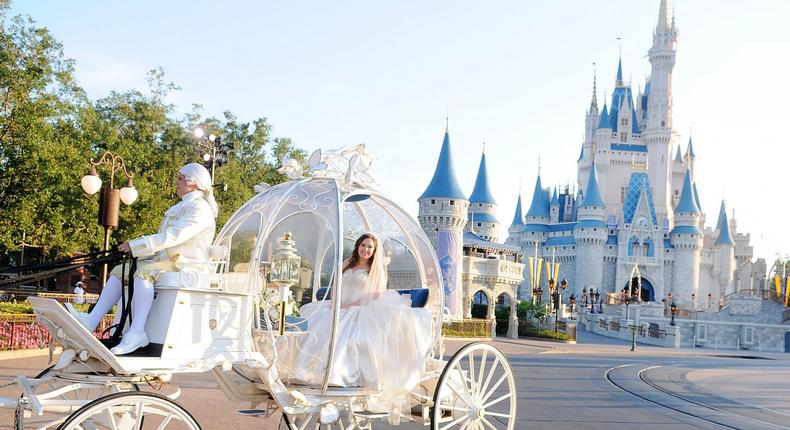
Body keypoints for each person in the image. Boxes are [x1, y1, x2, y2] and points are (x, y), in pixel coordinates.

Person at [275, 233, 433, 417]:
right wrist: (336, 302)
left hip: (360, 307)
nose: (366, 249)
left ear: (374, 251)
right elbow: (336, 285)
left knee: (345, 333)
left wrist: (350, 306)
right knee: (317, 321)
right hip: (337, 305)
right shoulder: (347, 262)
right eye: (363, 245)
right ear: (358, 246)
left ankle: (335, 376)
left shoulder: (374, 268)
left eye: (370, 247)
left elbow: (375, 295)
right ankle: (300, 371)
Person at [68, 163, 218, 355]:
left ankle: (137, 332)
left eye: (181, 179)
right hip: (167, 261)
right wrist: (134, 248)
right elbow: (165, 240)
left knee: (143, 273)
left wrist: (137, 246)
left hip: (186, 264)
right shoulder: (183, 206)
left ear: (194, 183)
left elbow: (174, 236)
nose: (177, 183)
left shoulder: (200, 209)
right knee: (119, 270)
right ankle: (91, 319)